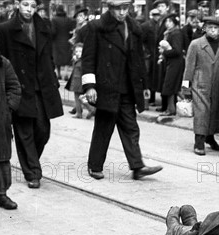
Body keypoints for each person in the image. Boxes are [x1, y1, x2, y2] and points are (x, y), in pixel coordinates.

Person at [81, 0, 163, 181]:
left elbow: (139, 59)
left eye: (125, 8)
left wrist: (144, 85)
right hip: (106, 86)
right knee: (104, 127)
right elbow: (88, 58)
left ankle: (137, 166)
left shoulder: (133, 28)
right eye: (118, 9)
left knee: (131, 127)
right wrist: (89, 86)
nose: (122, 12)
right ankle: (95, 166)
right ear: (110, 9)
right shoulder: (97, 27)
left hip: (127, 87)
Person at [0, 0, 64, 189]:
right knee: (24, 131)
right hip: (19, 87)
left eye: (33, 6)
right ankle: (33, 172)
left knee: (43, 130)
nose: (29, 9)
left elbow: (49, 56)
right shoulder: (5, 30)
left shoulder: (44, 28)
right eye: (25, 4)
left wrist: (53, 79)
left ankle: (30, 161)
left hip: (42, 87)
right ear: (18, 4)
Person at [183, 16, 219, 155]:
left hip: (217, 85)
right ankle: (199, 142)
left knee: (216, 112)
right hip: (200, 85)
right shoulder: (196, 44)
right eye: (210, 28)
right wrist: (186, 89)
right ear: (204, 28)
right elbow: (188, 68)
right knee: (202, 113)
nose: (213, 31)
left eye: (216, 28)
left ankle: (210, 138)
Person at [0, 38, 21, 209]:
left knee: (0, 158)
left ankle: (2, 194)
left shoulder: (2, 63)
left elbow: (14, 87)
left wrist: (7, 108)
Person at [158, 13, 184, 116]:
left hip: (175, 63)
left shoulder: (176, 33)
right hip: (171, 62)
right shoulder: (169, 33)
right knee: (170, 86)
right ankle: (171, 108)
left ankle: (171, 110)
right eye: (166, 22)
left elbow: (177, 50)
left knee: (170, 86)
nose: (167, 24)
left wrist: (164, 52)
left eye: (169, 21)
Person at [65, 43, 95, 119]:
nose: (78, 53)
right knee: (81, 98)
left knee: (78, 98)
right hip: (78, 81)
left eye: (80, 51)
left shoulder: (81, 62)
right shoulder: (80, 60)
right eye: (76, 51)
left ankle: (84, 111)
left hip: (78, 82)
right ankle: (87, 110)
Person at [142, 8, 161, 107]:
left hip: (156, 55)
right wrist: (146, 52)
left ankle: (151, 99)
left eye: (158, 15)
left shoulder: (160, 25)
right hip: (149, 56)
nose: (156, 17)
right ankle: (147, 100)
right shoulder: (146, 25)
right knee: (148, 77)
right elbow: (142, 41)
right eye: (155, 15)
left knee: (154, 77)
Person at [50, 4, 73, 79]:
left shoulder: (54, 19)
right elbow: (71, 31)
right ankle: (66, 74)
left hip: (57, 42)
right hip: (67, 41)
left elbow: (53, 31)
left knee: (57, 59)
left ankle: (59, 74)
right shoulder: (68, 19)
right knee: (66, 58)